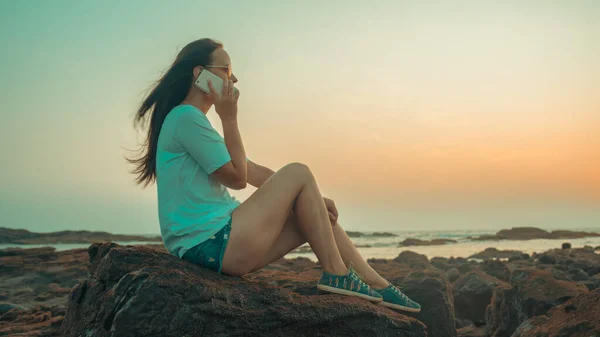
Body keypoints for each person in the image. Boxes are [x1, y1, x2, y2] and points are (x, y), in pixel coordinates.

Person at [127, 38, 421, 313]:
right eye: (227, 69)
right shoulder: (184, 118)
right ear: (199, 73)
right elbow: (237, 179)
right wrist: (229, 118)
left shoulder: (193, 122)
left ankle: (375, 283)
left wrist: (312, 198)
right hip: (212, 243)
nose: (234, 79)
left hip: (222, 247)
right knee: (298, 171)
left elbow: (251, 171)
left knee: (320, 213)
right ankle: (336, 274)